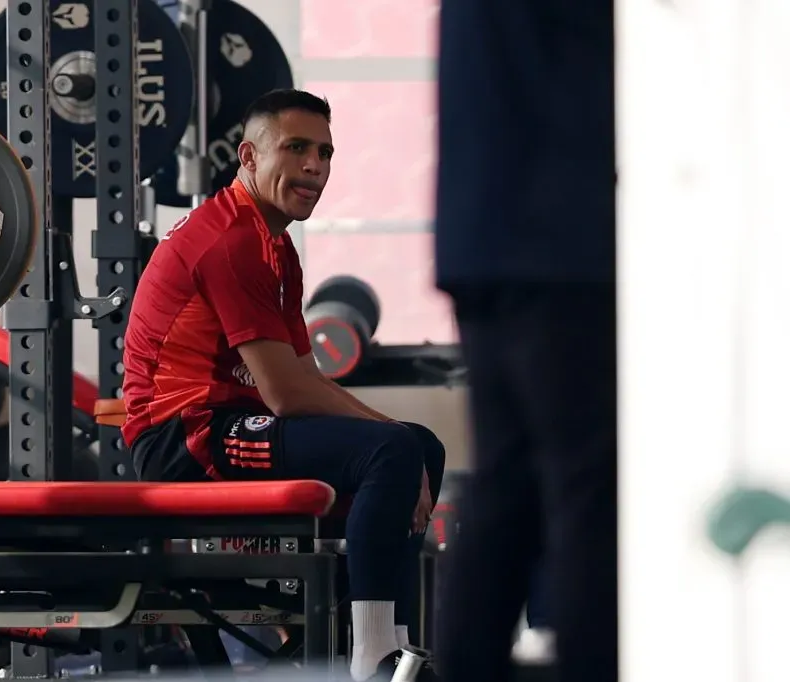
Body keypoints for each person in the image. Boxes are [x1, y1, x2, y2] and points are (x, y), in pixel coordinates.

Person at [122, 88, 445, 682]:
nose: (314, 167)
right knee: (395, 448)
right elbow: (286, 395)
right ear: (248, 156)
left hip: (230, 423)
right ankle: (371, 657)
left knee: (420, 445)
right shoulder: (231, 239)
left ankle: (367, 642)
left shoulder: (276, 248)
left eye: (324, 153)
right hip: (183, 438)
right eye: (296, 149)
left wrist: (395, 439)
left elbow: (303, 376)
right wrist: (388, 435)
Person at [433, 1, 617, 682]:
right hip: (558, 240)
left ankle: (467, 665)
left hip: (486, 234)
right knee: (588, 484)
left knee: (513, 482)